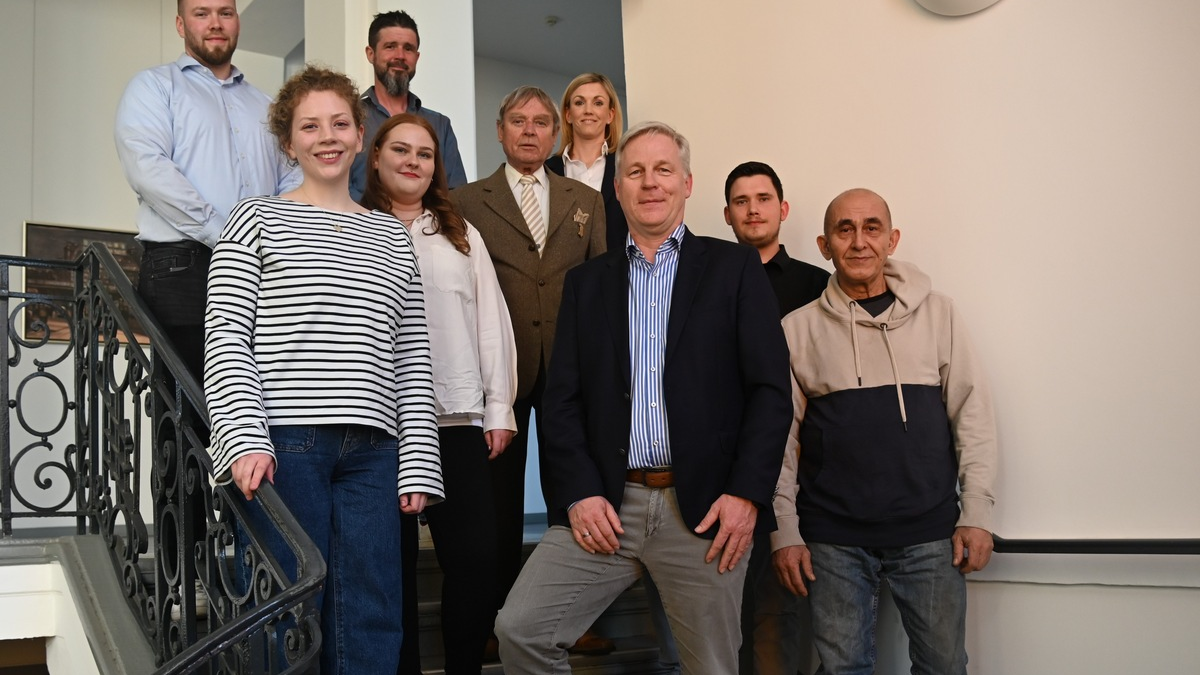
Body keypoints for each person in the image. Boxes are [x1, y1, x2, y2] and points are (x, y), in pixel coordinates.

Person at [494, 121, 793, 675]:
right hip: (608, 503)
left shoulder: (734, 271)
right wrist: (580, 493)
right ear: (617, 188)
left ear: (686, 183)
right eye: (635, 172)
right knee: (522, 630)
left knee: (713, 669)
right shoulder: (587, 284)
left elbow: (771, 395)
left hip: (703, 512)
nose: (649, 183)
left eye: (663, 171)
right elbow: (561, 402)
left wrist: (746, 496)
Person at [204, 65, 443, 675]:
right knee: (282, 607)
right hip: (285, 447)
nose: (327, 136)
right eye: (310, 126)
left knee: (373, 611)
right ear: (289, 142)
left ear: (360, 134)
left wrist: (418, 459)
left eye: (340, 123)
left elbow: (411, 357)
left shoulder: (392, 236)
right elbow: (227, 335)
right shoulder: (253, 218)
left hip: (374, 452)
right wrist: (242, 436)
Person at [771, 188, 997, 675]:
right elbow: (780, 443)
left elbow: (972, 415)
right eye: (844, 230)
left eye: (871, 228)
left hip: (930, 532)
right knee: (842, 670)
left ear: (892, 239)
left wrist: (976, 512)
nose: (859, 242)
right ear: (823, 244)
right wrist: (784, 530)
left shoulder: (940, 314)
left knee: (944, 667)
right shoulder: (796, 329)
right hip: (831, 539)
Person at [450, 85, 608, 656]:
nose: (529, 131)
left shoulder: (583, 199)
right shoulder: (464, 200)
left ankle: (574, 616)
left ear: (555, 132)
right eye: (518, 120)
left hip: (572, 369)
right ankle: (497, 617)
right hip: (499, 372)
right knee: (498, 500)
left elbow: (603, 286)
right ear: (500, 129)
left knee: (575, 490)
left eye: (542, 121)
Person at [361, 113, 518, 675]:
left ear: (436, 166)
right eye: (399, 150)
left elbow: (492, 326)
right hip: (380, 428)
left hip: (455, 418)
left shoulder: (460, 234)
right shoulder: (354, 228)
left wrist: (498, 408)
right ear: (375, 158)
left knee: (475, 560)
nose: (412, 161)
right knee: (390, 569)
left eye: (424, 154)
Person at [115, 0, 299, 380]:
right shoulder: (154, 86)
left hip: (263, 269)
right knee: (187, 414)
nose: (215, 23)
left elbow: (294, 176)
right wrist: (227, 234)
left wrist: (273, 237)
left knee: (264, 398)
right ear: (181, 25)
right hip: (183, 266)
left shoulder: (267, 105)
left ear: (237, 23)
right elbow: (147, 168)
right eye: (202, 13)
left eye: (225, 13)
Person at [723, 161, 828, 675]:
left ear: (782, 209)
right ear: (727, 214)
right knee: (718, 609)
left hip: (795, 473)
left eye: (763, 199)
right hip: (724, 470)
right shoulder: (707, 282)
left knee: (775, 608)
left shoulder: (817, 286)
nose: (753, 209)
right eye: (741, 201)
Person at [349, 10, 467, 200]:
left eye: (408, 48)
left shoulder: (440, 125)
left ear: (417, 57)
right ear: (371, 54)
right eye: (390, 47)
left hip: (426, 228)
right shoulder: (349, 119)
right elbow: (337, 187)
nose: (400, 56)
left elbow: (456, 195)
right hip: (359, 227)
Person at [544, 73, 629, 253]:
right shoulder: (546, 171)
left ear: (610, 115)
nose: (588, 110)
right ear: (568, 114)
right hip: (563, 278)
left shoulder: (627, 167)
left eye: (598, 103)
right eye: (579, 102)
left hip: (618, 275)